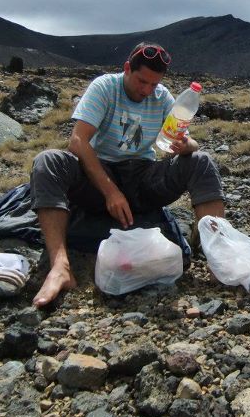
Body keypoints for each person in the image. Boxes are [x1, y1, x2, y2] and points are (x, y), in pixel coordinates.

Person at [29, 42, 225, 307]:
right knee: (48, 161)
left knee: (200, 161)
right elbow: (77, 141)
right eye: (142, 81)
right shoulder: (105, 87)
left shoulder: (162, 96)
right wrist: (111, 191)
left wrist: (185, 145)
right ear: (126, 69)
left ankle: (219, 260)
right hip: (99, 176)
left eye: (154, 84)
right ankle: (60, 267)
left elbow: (191, 143)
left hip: (143, 178)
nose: (147, 90)